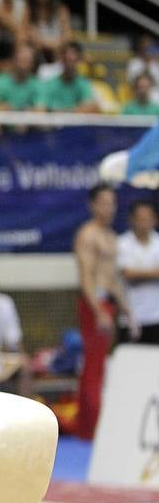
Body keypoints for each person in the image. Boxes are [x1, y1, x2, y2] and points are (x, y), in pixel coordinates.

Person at [74, 184, 136, 438]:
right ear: (92, 205)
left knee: (98, 366)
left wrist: (126, 308)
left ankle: (86, 426)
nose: (109, 208)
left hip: (107, 301)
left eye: (112, 202)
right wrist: (98, 310)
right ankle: (92, 428)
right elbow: (86, 277)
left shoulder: (110, 235)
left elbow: (110, 280)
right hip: (94, 304)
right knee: (94, 366)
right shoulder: (88, 235)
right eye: (103, 202)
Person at [118, 199, 159, 345]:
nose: (144, 223)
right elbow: (127, 274)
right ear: (131, 220)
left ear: (155, 220)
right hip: (131, 319)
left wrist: (138, 274)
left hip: (156, 317)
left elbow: (132, 273)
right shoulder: (122, 244)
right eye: (140, 219)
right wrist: (154, 273)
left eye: (148, 218)